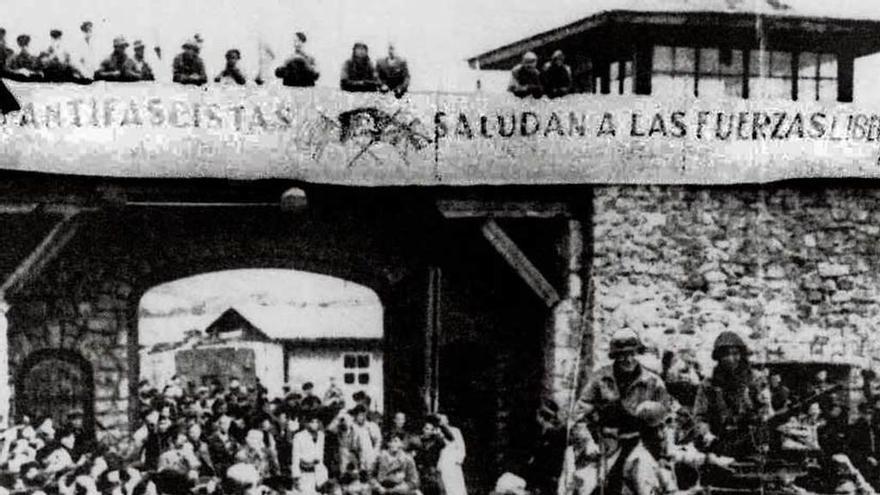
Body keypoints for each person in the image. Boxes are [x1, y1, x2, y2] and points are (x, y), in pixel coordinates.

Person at [573, 329, 669, 435]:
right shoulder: (600, 379)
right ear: (615, 356)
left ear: (638, 353)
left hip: (642, 442)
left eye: (632, 353)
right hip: (606, 441)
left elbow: (667, 418)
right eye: (622, 355)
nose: (628, 359)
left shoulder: (653, 382)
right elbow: (580, 415)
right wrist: (589, 444)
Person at [693, 331, 764, 459]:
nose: (731, 359)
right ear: (718, 357)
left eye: (735, 354)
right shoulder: (708, 384)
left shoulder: (754, 380)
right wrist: (706, 434)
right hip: (720, 441)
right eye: (726, 354)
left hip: (750, 441)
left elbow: (764, 410)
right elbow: (700, 416)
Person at [621, 401, 681, 495]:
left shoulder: (652, 456)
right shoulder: (642, 462)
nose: (667, 432)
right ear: (656, 431)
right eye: (664, 427)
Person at [416, 416, 452, 495]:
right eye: (426, 428)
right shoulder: (417, 440)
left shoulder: (436, 440)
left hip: (433, 471)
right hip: (420, 471)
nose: (428, 431)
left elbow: (451, 438)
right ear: (423, 429)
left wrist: (441, 425)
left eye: (431, 429)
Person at [291, 413, 327, 494]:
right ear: (306, 423)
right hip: (305, 473)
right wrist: (296, 476)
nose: (315, 424)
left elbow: (321, 455)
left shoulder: (321, 435)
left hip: (319, 472)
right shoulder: (299, 436)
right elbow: (295, 457)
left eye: (317, 422)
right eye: (312, 422)